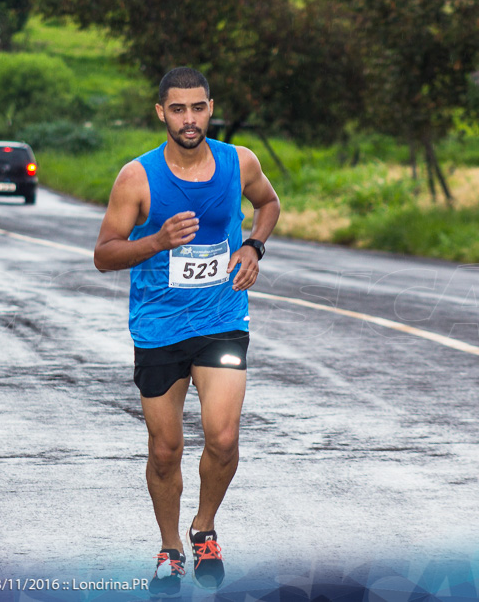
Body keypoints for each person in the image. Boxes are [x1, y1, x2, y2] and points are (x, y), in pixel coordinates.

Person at [93, 67, 280, 595]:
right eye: (178, 109)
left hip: (222, 319)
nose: (189, 119)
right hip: (159, 328)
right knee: (165, 450)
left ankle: (205, 528)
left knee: (222, 437)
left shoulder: (239, 161)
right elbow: (104, 253)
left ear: (210, 107)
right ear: (161, 113)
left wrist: (253, 247)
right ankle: (170, 547)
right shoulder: (138, 177)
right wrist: (156, 242)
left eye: (197, 108)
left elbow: (269, 203)